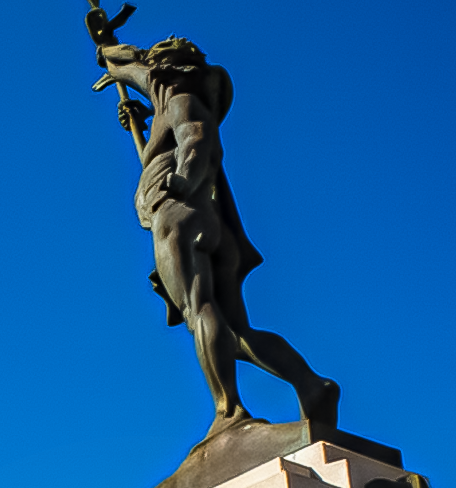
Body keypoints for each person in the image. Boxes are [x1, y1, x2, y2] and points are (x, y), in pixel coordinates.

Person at [97, 37, 338, 439]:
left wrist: (179, 181)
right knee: (236, 330)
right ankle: (311, 385)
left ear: (165, 70)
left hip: (179, 217)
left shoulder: (180, 100)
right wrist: (141, 118)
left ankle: (229, 412)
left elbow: (196, 138)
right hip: (209, 223)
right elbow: (167, 118)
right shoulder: (170, 106)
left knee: (198, 310)